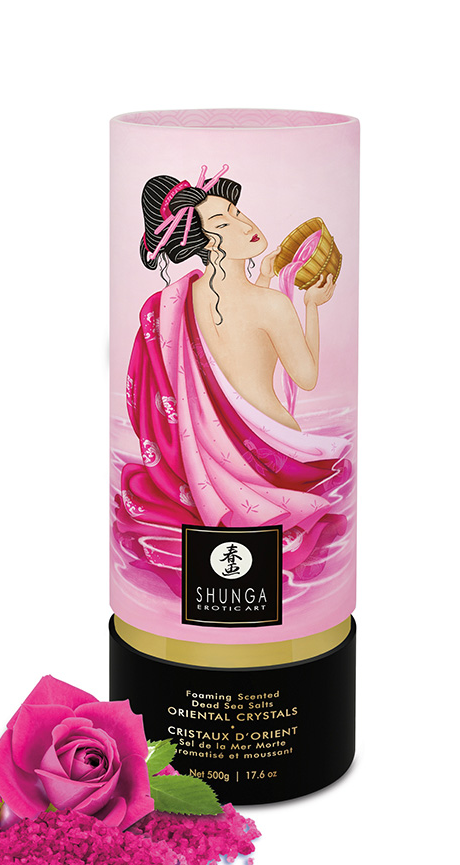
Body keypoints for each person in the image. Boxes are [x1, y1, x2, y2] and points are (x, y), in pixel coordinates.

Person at [114, 166, 349, 595]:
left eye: (238, 213)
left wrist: (267, 280)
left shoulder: (176, 299)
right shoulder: (272, 305)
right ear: (206, 242)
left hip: (201, 466)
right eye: (224, 224)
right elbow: (306, 376)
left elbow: (232, 331)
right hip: (278, 453)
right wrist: (312, 305)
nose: (244, 224)